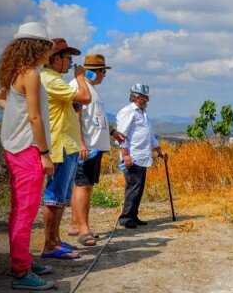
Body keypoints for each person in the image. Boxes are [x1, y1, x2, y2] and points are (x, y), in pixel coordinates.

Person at [0, 22, 57, 290]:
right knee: (25, 211)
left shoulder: (16, 72)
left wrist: (14, 116)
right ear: (37, 46)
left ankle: (23, 261)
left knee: (20, 209)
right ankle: (21, 272)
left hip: (15, 148)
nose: (50, 52)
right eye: (47, 47)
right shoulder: (31, 74)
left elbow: (0, 99)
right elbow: (34, 117)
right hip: (27, 149)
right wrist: (44, 154)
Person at [40, 38, 91, 260]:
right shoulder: (50, 79)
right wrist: (80, 78)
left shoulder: (53, 80)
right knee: (54, 198)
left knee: (60, 198)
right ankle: (50, 245)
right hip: (59, 145)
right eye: (68, 58)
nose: (71, 62)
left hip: (66, 144)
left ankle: (56, 241)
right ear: (55, 59)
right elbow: (85, 97)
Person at [68, 54, 125, 246]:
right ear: (93, 71)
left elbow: (95, 116)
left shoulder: (91, 89)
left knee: (84, 185)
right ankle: (84, 230)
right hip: (87, 146)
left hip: (95, 145)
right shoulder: (78, 87)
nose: (104, 76)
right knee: (83, 185)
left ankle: (77, 224)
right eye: (102, 71)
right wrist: (81, 143)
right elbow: (75, 116)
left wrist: (112, 131)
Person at [116, 84, 168, 229]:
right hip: (133, 156)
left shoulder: (143, 114)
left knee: (138, 188)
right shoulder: (128, 112)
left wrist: (159, 151)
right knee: (133, 187)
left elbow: (150, 136)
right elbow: (121, 135)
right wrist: (125, 155)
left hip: (142, 156)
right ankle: (126, 218)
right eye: (145, 98)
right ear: (138, 97)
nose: (147, 100)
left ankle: (133, 215)